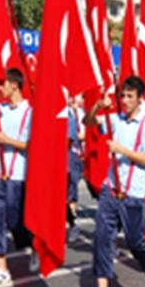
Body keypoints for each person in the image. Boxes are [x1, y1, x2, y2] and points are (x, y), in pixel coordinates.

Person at [79, 75, 145, 287]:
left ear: (139, 99)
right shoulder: (115, 120)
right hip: (110, 190)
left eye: (129, 96)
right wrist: (98, 106)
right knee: (102, 239)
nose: (124, 100)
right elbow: (89, 122)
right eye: (122, 96)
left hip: (133, 194)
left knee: (135, 243)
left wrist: (121, 149)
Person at [0, 68, 38, 286]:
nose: (0, 88)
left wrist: (7, 141)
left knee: (16, 220)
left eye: (3, 84)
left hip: (18, 175)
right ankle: (1, 267)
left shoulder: (30, 112)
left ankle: (33, 246)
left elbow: (32, 146)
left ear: (14, 85)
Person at [66, 96, 84, 243]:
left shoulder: (69, 115)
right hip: (58, 158)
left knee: (69, 194)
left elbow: (69, 139)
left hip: (71, 156)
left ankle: (72, 224)